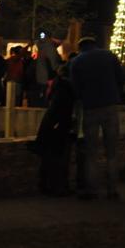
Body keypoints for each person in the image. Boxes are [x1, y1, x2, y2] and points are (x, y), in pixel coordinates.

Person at [69, 37, 125, 200]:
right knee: (112, 151)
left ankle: (92, 190)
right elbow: (121, 78)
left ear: (80, 47)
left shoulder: (77, 61)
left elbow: (75, 87)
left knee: (91, 152)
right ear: (95, 44)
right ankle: (112, 189)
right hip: (110, 106)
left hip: (90, 108)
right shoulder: (109, 56)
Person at [35, 63, 76, 196]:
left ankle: (48, 185)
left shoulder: (57, 85)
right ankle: (56, 187)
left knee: (50, 157)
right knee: (58, 157)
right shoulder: (66, 88)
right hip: (59, 127)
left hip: (52, 125)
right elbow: (63, 108)